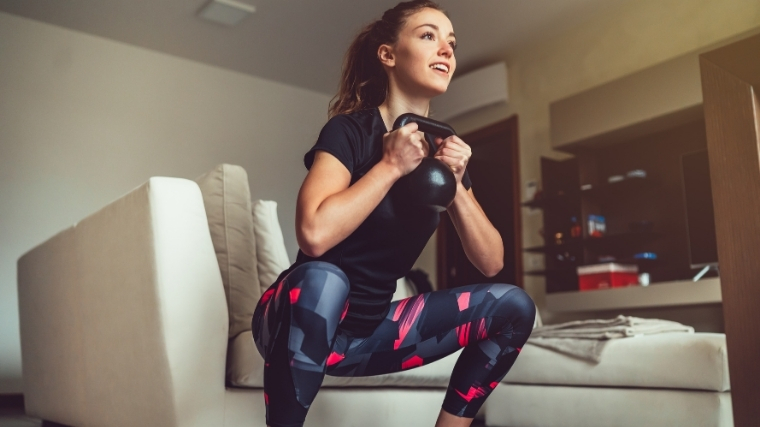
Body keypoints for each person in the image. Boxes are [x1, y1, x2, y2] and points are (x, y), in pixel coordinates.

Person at [252, 2, 536, 426]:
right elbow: (313, 233)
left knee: (515, 305)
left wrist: (456, 184)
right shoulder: (349, 131)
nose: (446, 50)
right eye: (428, 36)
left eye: (451, 43)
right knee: (324, 278)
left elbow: (492, 261)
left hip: (369, 333)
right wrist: (389, 167)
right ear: (388, 55)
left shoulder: (442, 158)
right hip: (295, 322)